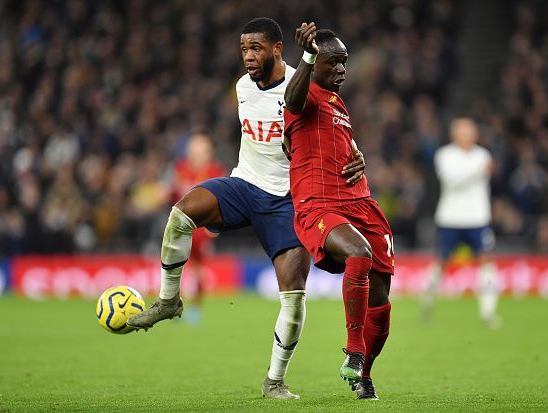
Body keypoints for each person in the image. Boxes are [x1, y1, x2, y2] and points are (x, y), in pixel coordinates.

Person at [127, 17, 365, 400]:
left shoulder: (302, 84)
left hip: (289, 200)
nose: (248, 57)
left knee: (293, 294)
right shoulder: (241, 87)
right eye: (243, 50)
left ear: (276, 49)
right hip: (245, 184)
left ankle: (274, 380)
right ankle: (169, 301)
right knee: (182, 212)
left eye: (255, 49)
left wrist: (357, 153)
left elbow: (335, 124)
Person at [283, 23, 393, 400]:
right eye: (334, 62)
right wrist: (308, 57)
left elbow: (340, 145)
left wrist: (358, 157)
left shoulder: (336, 103)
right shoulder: (304, 93)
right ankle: (354, 348)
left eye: (345, 62)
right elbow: (293, 103)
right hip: (319, 204)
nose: (343, 69)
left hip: (360, 203)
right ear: (316, 64)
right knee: (358, 254)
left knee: (381, 303)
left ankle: (364, 375)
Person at [421, 116, 500, 328]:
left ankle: (488, 313)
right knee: (442, 263)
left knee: (486, 261)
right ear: (454, 134)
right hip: (451, 218)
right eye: (462, 131)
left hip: (477, 219)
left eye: (470, 131)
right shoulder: (445, 155)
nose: (466, 135)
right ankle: (427, 304)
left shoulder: (483, 155)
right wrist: (479, 170)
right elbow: (452, 181)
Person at [171, 133, 225, 316]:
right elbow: (174, 194)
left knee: (197, 269)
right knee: (175, 266)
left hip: (201, 228)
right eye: (195, 147)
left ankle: (195, 308)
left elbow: (222, 200)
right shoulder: (180, 168)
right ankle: (174, 305)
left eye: (202, 148)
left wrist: (215, 225)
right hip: (180, 225)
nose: (198, 152)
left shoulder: (215, 171)